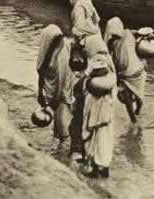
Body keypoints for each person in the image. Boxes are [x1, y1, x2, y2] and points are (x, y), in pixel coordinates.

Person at [79, 34, 116, 178]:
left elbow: (88, 82)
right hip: (107, 106)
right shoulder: (108, 60)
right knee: (104, 137)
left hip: (98, 104)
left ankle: (96, 167)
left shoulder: (97, 61)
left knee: (96, 135)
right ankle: (102, 167)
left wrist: (85, 80)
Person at [35, 24, 75, 143]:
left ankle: (65, 148)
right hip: (55, 92)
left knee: (64, 122)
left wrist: (54, 100)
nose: (59, 41)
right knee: (59, 123)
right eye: (56, 39)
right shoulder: (46, 51)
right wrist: (40, 93)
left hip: (63, 91)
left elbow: (63, 77)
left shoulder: (63, 49)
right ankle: (61, 145)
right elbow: (41, 72)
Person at [104, 17, 146, 122]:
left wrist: (149, 35)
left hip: (133, 70)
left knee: (136, 95)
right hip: (127, 72)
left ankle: (136, 114)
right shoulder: (113, 41)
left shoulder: (128, 33)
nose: (113, 33)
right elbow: (108, 57)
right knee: (131, 95)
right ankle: (134, 119)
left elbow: (142, 33)